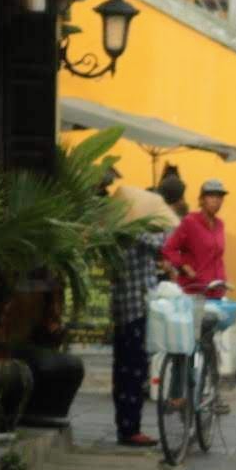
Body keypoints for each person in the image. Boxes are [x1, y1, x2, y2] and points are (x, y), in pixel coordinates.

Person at [103, 171, 171, 447]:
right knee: (133, 371)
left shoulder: (118, 228)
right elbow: (162, 242)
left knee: (124, 370)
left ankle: (126, 426)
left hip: (123, 308)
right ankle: (130, 430)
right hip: (134, 310)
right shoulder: (134, 230)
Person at [161, 178, 229, 294]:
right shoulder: (190, 222)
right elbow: (169, 249)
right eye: (211, 196)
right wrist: (183, 265)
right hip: (195, 289)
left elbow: (217, 257)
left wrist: (223, 280)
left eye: (219, 197)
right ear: (202, 200)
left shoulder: (220, 224)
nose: (216, 201)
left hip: (216, 288)